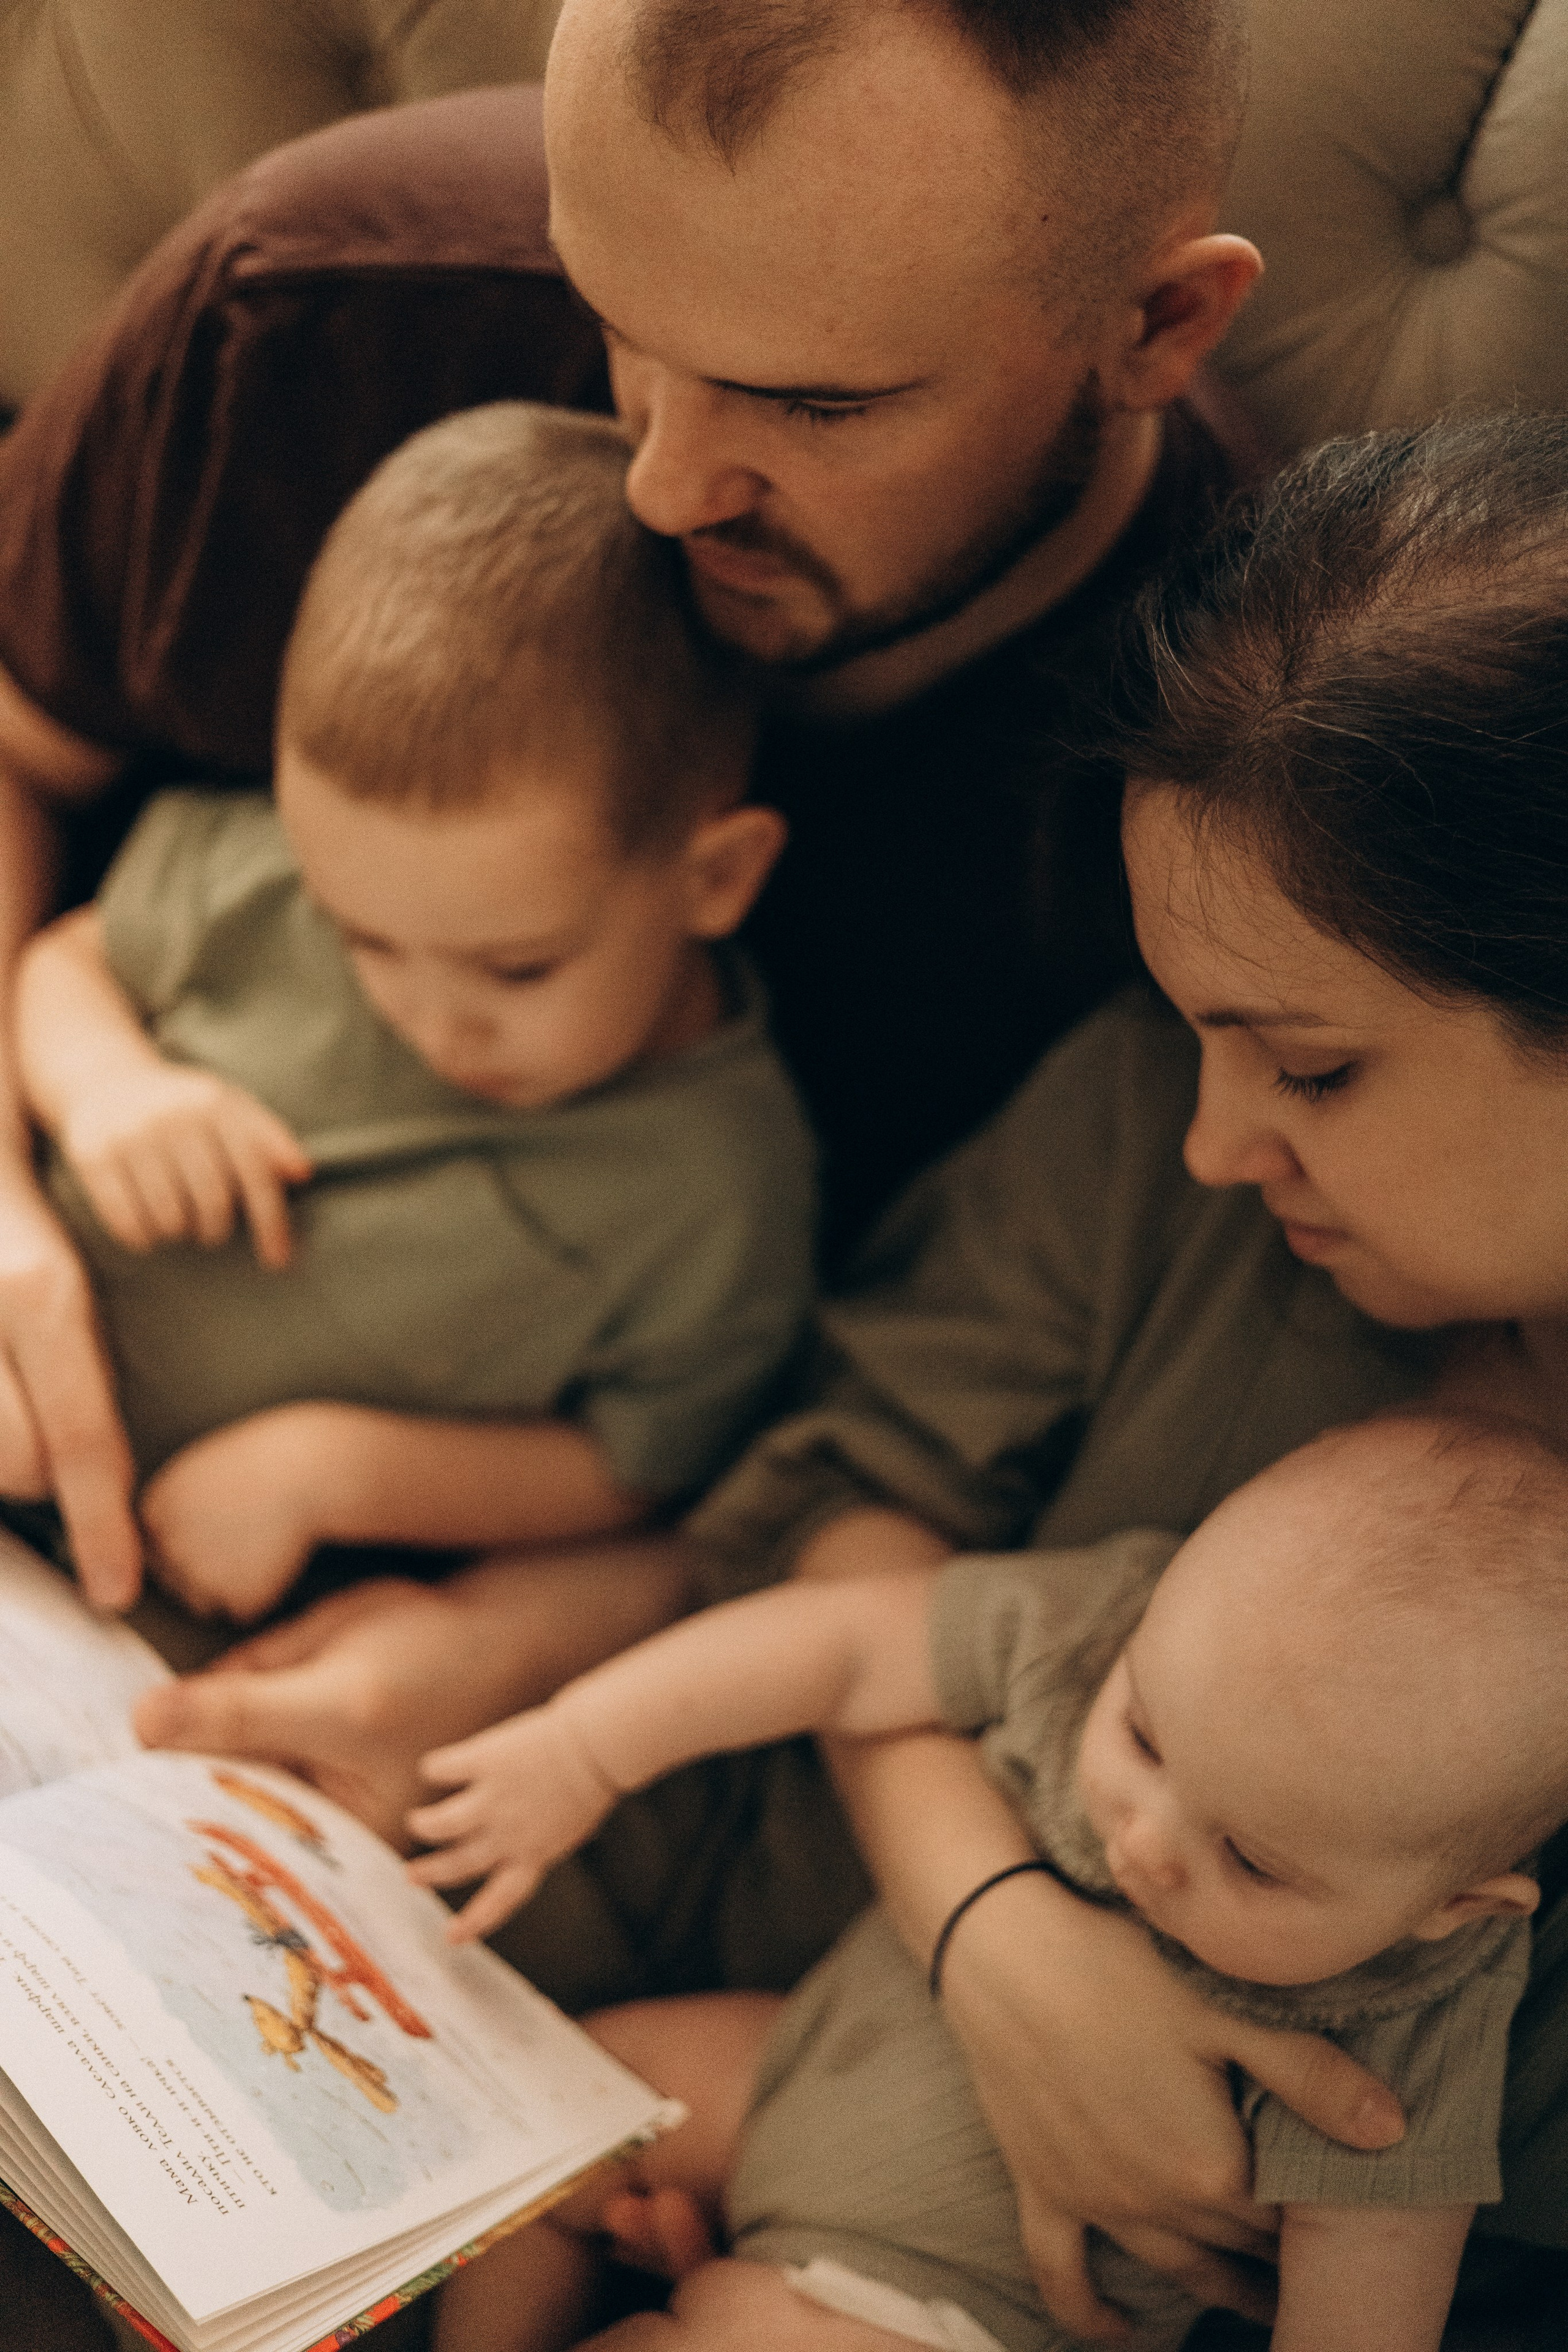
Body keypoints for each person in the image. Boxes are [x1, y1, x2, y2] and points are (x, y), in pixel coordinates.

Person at [145, 415, 1568, 2339]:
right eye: (1196, 1033)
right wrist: (992, 1929)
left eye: (1312, 1068)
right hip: (719, 1862)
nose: (1219, 1138)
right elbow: (827, 1484)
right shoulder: (1158, 1127)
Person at [0, 0, 1262, 1608]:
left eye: (815, 406)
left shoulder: (1219, 763)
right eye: (618, 324)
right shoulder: (315, 303)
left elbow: (875, 1409)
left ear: (1159, 323)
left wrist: (514, 1642)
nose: (661, 486)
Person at [410, 1414, 1556, 2352]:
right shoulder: (1119, 1625)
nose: (1144, 1841)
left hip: (924, 2308)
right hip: (802, 2063)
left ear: (1451, 1909)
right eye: (1143, 1740)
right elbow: (844, 1647)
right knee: (544, 2105)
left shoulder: (1420, 2010)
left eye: (1252, 1860)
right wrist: (584, 1751)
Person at [7, 402, 810, 1624]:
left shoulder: (720, 1184)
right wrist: (109, 1082)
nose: (432, 1023)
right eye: (364, 942)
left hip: (160, 1583)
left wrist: (336, 1473)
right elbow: (69, 960)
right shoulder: (277, 869)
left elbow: (638, 1463)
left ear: (714, 877)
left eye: (516, 969)